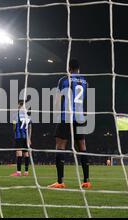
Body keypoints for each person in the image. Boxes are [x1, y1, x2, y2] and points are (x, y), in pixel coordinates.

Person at [49, 59, 90, 189]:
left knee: (60, 145)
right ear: (79, 68)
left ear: (69, 67)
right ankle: (86, 181)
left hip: (66, 116)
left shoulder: (64, 80)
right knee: (82, 147)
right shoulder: (85, 81)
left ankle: (60, 182)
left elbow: (58, 98)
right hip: (79, 116)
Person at [10, 101, 32, 176]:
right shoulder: (27, 116)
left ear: (19, 106)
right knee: (26, 153)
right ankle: (26, 172)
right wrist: (29, 138)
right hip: (26, 137)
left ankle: (18, 172)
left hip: (18, 136)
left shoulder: (15, 115)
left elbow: (13, 127)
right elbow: (30, 128)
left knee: (19, 152)